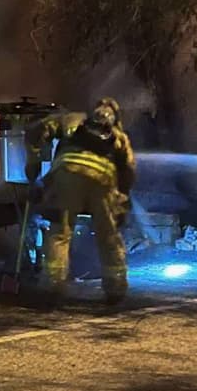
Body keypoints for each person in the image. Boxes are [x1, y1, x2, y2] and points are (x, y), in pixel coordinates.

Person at [28, 97, 136, 304]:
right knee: (108, 234)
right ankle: (115, 289)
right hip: (103, 180)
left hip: (67, 175)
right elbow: (128, 173)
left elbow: (36, 130)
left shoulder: (72, 120)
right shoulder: (120, 138)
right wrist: (121, 206)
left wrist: (32, 166)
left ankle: (53, 286)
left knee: (60, 231)